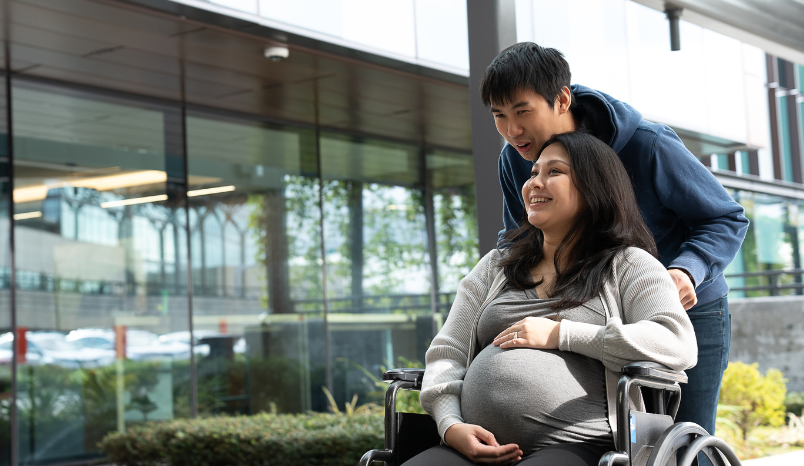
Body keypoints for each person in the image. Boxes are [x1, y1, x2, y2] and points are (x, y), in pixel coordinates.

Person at [483, 42, 748, 445]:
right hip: (587, 308)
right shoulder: (514, 158)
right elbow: (519, 240)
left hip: (684, 309)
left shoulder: (648, 144)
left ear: (562, 100)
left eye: (522, 111)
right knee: (622, 440)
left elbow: (725, 217)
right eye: (499, 116)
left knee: (681, 443)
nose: (512, 131)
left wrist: (686, 269)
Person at [407, 132, 697, 466]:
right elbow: (447, 352)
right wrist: (450, 425)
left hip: (581, 444)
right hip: (470, 447)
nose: (534, 184)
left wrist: (562, 334)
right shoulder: (494, 267)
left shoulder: (629, 265)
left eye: (553, 172)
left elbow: (677, 343)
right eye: (533, 174)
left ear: (594, 187)